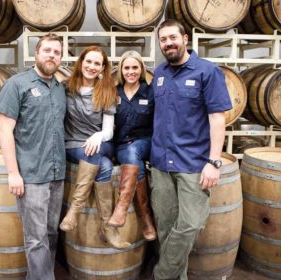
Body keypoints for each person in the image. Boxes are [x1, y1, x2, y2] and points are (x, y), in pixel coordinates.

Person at [150, 19, 232, 280]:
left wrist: (214, 162)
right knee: (165, 227)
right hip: (161, 163)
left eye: (173, 37)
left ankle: (162, 275)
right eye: (163, 39)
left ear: (185, 38)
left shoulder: (207, 72)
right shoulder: (160, 74)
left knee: (190, 224)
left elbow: (218, 119)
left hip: (193, 164)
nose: (168, 43)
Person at [0, 33, 65, 280]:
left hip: (57, 173)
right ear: (36, 53)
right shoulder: (17, 84)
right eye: (47, 50)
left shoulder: (59, 87)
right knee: (36, 239)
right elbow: (4, 130)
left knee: (51, 233)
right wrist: (13, 173)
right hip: (31, 175)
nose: (51, 55)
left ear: (61, 57)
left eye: (56, 52)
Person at [59, 46, 130, 249]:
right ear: (81, 62)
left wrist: (97, 136)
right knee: (104, 166)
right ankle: (109, 228)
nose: (91, 66)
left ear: (103, 68)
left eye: (97, 63)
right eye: (88, 61)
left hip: (102, 143)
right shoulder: (65, 88)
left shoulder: (106, 91)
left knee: (96, 152)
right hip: (72, 144)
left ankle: (74, 210)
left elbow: (108, 131)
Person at [107, 50, 157, 241]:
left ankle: (121, 207)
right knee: (132, 157)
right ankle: (146, 218)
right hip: (120, 144)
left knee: (134, 150)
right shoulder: (114, 91)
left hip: (145, 141)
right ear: (121, 70)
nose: (131, 71)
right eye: (126, 67)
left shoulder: (150, 92)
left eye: (135, 67)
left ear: (141, 69)